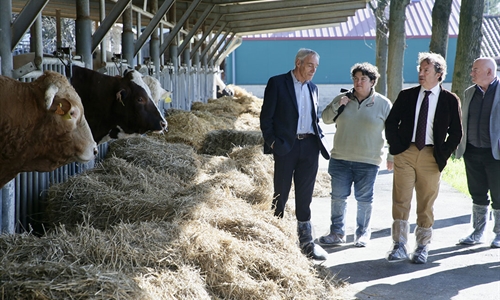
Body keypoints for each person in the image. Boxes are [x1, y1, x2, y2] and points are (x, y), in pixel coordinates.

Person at [385, 52, 462, 264]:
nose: (421, 73)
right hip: (406, 153)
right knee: (401, 198)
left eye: (426, 70)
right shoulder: (407, 95)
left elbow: (456, 132)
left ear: (439, 74)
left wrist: (443, 154)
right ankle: (399, 244)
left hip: (431, 156)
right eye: (420, 69)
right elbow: (391, 123)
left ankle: (422, 246)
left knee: (426, 201)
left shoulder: (449, 100)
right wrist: (397, 147)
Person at [260, 48, 331, 260]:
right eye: (310, 65)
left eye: (316, 67)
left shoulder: (314, 88)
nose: (313, 70)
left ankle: (307, 243)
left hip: (310, 147)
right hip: (285, 147)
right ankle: (276, 239)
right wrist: (273, 143)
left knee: (305, 196)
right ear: (298, 63)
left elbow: (313, 118)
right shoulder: (277, 83)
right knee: (280, 192)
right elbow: (266, 117)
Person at [319, 62, 393, 248]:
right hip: (340, 158)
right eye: (355, 79)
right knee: (338, 197)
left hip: (368, 161)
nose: (358, 83)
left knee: (364, 199)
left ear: (372, 81)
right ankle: (337, 233)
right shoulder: (342, 99)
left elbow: (393, 133)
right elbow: (326, 119)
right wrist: (338, 104)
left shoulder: (383, 104)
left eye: (363, 79)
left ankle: (362, 233)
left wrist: (392, 156)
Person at [455, 57, 500, 248]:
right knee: (477, 193)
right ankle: (477, 232)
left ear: (489, 72)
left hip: (495, 153)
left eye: (475, 70)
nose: (471, 73)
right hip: (472, 151)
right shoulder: (469, 92)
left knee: (499, 195)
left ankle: (498, 234)